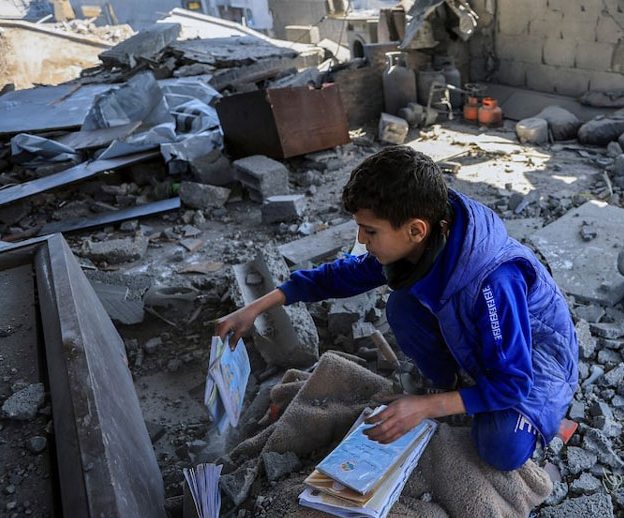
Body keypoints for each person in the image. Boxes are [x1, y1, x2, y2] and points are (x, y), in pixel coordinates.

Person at [215, 146, 578, 471]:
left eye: (369, 231)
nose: (361, 240)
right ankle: (452, 386)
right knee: (403, 305)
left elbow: (514, 384)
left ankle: (533, 418)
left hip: (536, 359)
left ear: (415, 230)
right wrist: (259, 306)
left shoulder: (493, 284)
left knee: (502, 450)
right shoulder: (423, 236)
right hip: (494, 343)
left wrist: (423, 408)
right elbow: (343, 276)